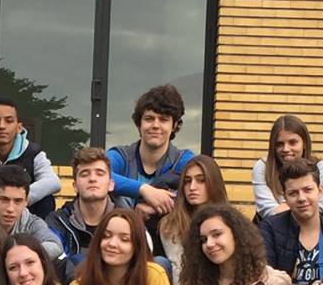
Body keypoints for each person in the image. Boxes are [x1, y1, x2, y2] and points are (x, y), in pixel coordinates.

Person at [108, 83, 196, 228]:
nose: (155, 125)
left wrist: (153, 207)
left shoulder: (184, 160)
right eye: (149, 118)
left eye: (163, 119)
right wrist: (144, 190)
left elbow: (203, 191)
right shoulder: (121, 156)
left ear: (174, 125)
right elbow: (101, 176)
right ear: (139, 124)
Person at [256, 156, 323, 285]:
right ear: (284, 197)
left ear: (320, 191)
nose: (302, 198)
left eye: (307, 190)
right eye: (293, 193)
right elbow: (265, 279)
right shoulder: (269, 229)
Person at [250, 114, 323, 216]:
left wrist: (284, 208)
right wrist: (300, 210)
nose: (285, 149)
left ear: (305, 143)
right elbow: (267, 210)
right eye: (279, 144)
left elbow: (319, 209)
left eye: (292, 142)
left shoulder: (321, 168)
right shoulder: (263, 167)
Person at [157, 155, 228, 271]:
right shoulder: (170, 224)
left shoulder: (230, 221)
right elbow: (179, 270)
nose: (192, 187)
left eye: (201, 180)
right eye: (187, 181)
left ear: (213, 183)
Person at [49, 146, 117, 266]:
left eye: (100, 174)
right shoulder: (58, 221)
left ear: (111, 184)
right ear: (75, 186)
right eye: (85, 174)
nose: (92, 179)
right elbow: (54, 263)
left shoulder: (127, 222)